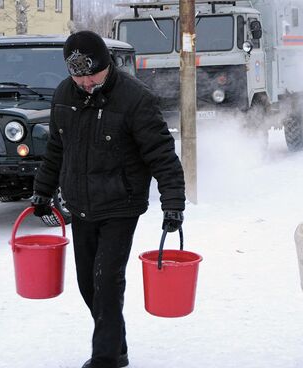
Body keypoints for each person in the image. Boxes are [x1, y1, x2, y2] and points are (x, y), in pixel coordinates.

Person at [31, 30, 186, 368]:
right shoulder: (63, 95)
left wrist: (173, 202)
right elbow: (57, 149)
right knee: (88, 283)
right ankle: (118, 347)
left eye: (91, 75)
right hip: (81, 205)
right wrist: (42, 191)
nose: (85, 82)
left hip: (121, 204)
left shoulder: (134, 99)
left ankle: (105, 358)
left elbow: (162, 155)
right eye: (78, 75)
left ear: (107, 65)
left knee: (106, 281)